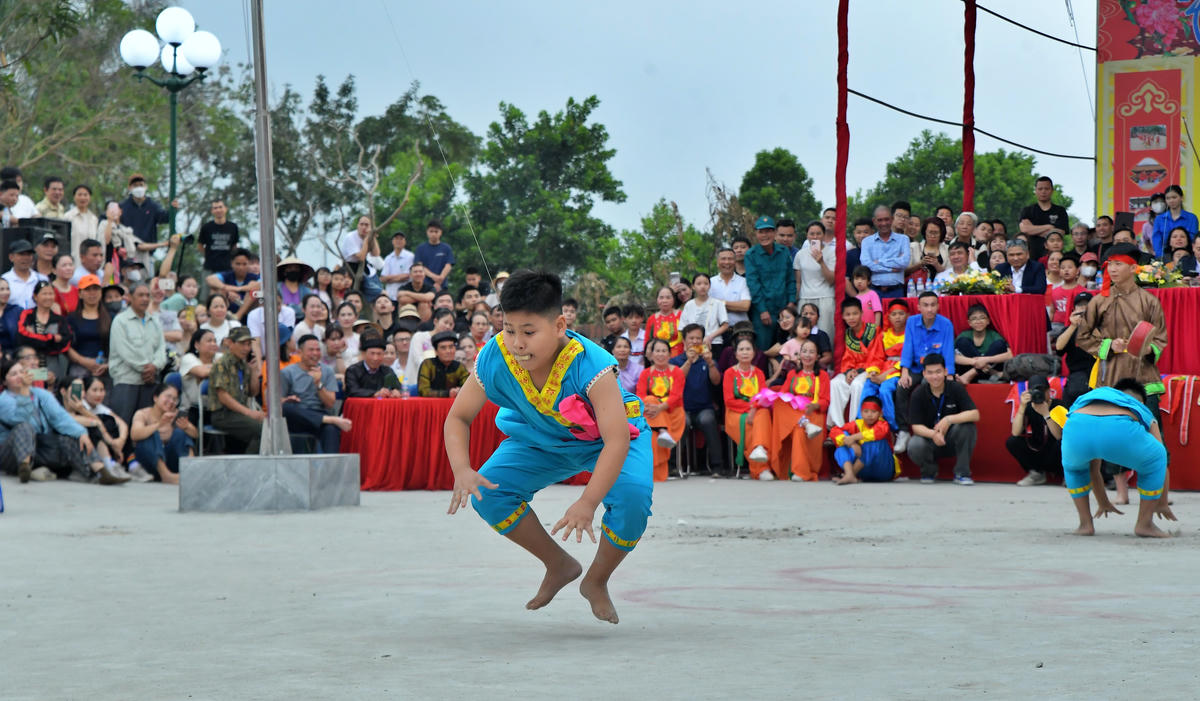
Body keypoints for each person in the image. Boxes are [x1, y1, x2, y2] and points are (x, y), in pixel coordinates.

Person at [444, 270, 653, 625]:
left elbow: (616, 440)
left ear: (558, 325)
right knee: (488, 492)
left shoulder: (593, 364)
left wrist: (588, 502)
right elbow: (458, 418)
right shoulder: (494, 356)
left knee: (633, 497)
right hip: (540, 439)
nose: (517, 343)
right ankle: (558, 564)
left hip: (608, 438)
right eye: (508, 329)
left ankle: (596, 580)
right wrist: (462, 469)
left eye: (528, 332)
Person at [1056, 379, 1174, 538]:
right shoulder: (1140, 406)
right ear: (1139, 399)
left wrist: (1103, 501)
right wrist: (1162, 503)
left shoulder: (1094, 395)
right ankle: (1144, 524)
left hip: (1076, 426)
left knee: (1075, 470)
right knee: (1157, 457)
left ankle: (1085, 524)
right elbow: (1161, 461)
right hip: (1119, 430)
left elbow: (1093, 469)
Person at [0, 358, 99, 483]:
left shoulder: (40, 394)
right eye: (14, 374)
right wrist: (24, 392)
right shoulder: (3, 400)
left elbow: (59, 417)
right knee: (24, 427)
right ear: (4, 381)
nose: (20, 376)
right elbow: (20, 419)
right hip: (12, 453)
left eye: (22, 372)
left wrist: (81, 433)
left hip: (41, 447)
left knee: (73, 436)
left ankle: (98, 471)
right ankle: (24, 468)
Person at [893, 292, 956, 453]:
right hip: (916, 368)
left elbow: (948, 351)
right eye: (925, 305)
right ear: (918, 307)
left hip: (935, 371)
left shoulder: (946, 324)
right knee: (901, 388)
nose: (929, 309)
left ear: (938, 306)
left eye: (933, 305)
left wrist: (949, 375)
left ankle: (929, 428)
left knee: (925, 386)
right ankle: (904, 430)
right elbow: (907, 347)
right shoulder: (912, 322)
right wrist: (904, 371)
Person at [905, 353, 980, 485]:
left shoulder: (955, 388)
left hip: (951, 439)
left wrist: (948, 419)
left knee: (968, 427)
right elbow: (916, 427)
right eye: (930, 372)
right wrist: (933, 434)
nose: (935, 377)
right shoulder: (918, 393)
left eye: (938, 372)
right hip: (930, 441)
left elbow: (975, 414)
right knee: (914, 444)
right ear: (924, 374)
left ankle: (962, 473)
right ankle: (929, 471)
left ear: (945, 371)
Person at [769, 337, 829, 482]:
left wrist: (815, 405)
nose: (807, 355)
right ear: (799, 355)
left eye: (811, 352)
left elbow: (825, 401)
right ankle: (800, 472)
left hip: (812, 413)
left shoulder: (822, 376)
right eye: (804, 351)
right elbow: (784, 395)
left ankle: (801, 472)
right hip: (795, 413)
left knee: (798, 429)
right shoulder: (792, 374)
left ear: (817, 356)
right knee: (779, 402)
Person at [281, 334, 353, 453]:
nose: (315, 353)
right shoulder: (287, 373)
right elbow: (277, 403)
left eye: (318, 350)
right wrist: (288, 399)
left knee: (331, 429)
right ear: (300, 352)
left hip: (319, 413)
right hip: (297, 416)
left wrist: (318, 384)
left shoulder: (327, 371)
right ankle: (329, 419)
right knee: (286, 408)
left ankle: (331, 469)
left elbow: (330, 404)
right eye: (311, 350)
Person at [670, 324, 724, 476]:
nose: (694, 341)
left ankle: (717, 467)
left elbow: (716, 381)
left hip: (704, 408)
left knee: (708, 420)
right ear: (684, 341)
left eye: (698, 338)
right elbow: (676, 380)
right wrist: (688, 361)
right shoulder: (675, 361)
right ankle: (674, 465)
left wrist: (710, 363)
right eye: (691, 338)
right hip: (682, 408)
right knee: (682, 422)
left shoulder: (708, 360)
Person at [207, 326, 263, 453]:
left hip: (238, 413)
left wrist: (254, 372)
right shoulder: (222, 364)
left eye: (249, 344)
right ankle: (249, 468)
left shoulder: (243, 365)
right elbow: (223, 396)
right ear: (230, 343)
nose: (246, 349)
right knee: (261, 430)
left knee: (270, 427)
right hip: (223, 414)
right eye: (242, 344)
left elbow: (253, 393)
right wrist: (249, 413)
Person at [828, 297, 882, 427]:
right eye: (848, 314)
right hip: (853, 369)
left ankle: (854, 423)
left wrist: (857, 372)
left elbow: (876, 356)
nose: (851, 317)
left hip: (869, 369)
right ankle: (837, 425)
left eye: (855, 313)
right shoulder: (846, 334)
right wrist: (849, 371)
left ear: (862, 313)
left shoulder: (873, 330)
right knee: (834, 383)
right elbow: (847, 358)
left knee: (857, 384)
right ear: (843, 317)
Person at [636, 338, 686, 481]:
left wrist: (659, 408)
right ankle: (662, 431)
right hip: (651, 414)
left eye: (664, 351)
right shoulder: (645, 373)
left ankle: (663, 430)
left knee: (653, 421)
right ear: (651, 355)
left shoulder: (677, 372)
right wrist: (652, 407)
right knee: (652, 434)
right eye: (657, 351)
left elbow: (676, 396)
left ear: (669, 354)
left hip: (672, 414)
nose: (660, 354)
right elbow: (640, 395)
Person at [128, 383, 196, 485]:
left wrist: (186, 427)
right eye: (168, 397)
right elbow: (134, 435)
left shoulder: (176, 414)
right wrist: (159, 424)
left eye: (175, 399)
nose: (171, 402)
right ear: (155, 398)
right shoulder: (143, 414)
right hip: (148, 461)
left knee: (180, 433)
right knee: (151, 433)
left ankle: (191, 470)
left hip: (170, 461)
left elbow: (195, 434)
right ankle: (166, 476)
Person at [744, 215, 796, 350]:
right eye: (761, 232)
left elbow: (790, 279)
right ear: (756, 233)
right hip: (763, 311)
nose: (764, 235)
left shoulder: (784, 251)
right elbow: (753, 284)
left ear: (774, 233)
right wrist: (762, 310)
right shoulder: (751, 254)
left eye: (768, 231)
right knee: (763, 349)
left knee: (787, 347)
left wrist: (791, 302)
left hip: (784, 308)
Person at [723, 336, 773, 472]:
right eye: (741, 349)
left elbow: (763, 397)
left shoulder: (759, 373)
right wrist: (750, 409)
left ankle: (760, 449)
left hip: (756, 410)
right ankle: (761, 468)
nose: (745, 352)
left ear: (754, 352)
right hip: (735, 412)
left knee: (763, 414)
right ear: (736, 354)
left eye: (748, 349)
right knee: (752, 423)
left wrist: (753, 409)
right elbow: (729, 400)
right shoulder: (729, 373)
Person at [859, 299, 908, 430]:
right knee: (868, 387)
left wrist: (884, 375)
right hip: (884, 367)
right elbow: (876, 355)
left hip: (899, 369)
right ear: (888, 316)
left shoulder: (910, 334)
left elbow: (908, 358)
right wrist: (874, 371)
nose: (897, 317)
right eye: (894, 314)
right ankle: (861, 422)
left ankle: (891, 426)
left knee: (885, 390)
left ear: (907, 315)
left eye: (901, 313)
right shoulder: (883, 335)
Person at [1008, 375, 1063, 487]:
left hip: (1056, 452)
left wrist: (1046, 414)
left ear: (1049, 391)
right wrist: (1022, 407)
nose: (1039, 394)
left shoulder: (1059, 405)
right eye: (1035, 391)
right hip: (1038, 448)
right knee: (1012, 441)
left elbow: (1059, 436)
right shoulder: (1029, 406)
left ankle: (1066, 475)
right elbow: (1015, 433)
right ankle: (1037, 474)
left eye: (1042, 390)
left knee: (1063, 443)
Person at [17, 280, 74, 382]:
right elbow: (22, 336)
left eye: (51, 293)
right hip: (29, 362)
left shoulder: (59, 319)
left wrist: (34, 336)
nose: (48, 297)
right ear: (35, 296)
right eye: (44, 293)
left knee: (52, 389)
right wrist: (51, 338)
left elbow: (66, 341)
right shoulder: (27, 315)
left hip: (53, 363)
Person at [831, 396, 895, 485]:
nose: (869, 415)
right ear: (861, 413)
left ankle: (849, 474)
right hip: (863, 471)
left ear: (880, 413)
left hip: (883, 469)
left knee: (874, 441)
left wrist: (853, 438)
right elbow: (834, 431)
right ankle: (849, 474)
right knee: (842, 439)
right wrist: (852, 444)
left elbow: (878, 433)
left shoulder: (883, 424)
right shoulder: (856, 424)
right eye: (866, 411)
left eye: (873, 411)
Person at [793, 220, 836, 336]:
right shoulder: (800, 255)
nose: (815, 237)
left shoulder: (832, 253)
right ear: (807, 235)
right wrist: (795, 300)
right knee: (803, 334)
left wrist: (821, 262)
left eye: (818, 233)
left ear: (824, 235)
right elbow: (798, 281)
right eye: (812, 234)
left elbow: (831, 280)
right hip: (805, 298)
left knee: (826, 333)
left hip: (825, 298)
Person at [860, 204, 911, 298]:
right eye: (880, 220)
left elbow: (904, 262)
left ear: (892, 219)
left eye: (886, 219)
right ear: (874, 221)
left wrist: (879, 262)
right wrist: (891, 268)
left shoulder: (903, 239)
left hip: (897, 290)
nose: (884, 223)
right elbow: (866, 265)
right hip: (874, 291)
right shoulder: (867, 242)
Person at [953, 304, 1012, 384]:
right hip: (977, 369)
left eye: (982, 318)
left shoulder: (994, 335)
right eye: (974, 319)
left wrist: (986, 360)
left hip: (986, 374)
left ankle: (970, 375)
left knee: (999, 345)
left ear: (988, 321)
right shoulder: (964, 335)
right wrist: (974, 362)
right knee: (963, 342)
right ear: (969, 322)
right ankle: (987, 372)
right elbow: (953, 357)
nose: (978, 321)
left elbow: (1010, 355)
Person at [1018, 175, 1069, 260]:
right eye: (1040, 189)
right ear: (1035, 191)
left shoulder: (1060, 211)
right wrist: (1049, 227)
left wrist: (1034, 230)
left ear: (1052, 191)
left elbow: (1060, 232)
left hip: (1054, 258)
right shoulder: (1027, 210)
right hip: (1032, 255)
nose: (1043, 192)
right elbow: (1025, 229)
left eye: (1046, 189)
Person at [678, 273, 729, 353]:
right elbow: (682, 328)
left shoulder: (717, 303)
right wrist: (686, 344)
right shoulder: (689, 305)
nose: (702, 286)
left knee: (711, 364)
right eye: (699, 284)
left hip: (713, 343)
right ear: (693, 287)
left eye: (706, 283)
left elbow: (725, 325)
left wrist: (710, 337)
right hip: (693, 345)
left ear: (709, 285)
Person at [204, 249, 260, 317]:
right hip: (229, 307)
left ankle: (237, 316)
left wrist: (237, 290)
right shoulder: (227, 275)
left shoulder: (255, 277)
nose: (241, 267)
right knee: (215, 289)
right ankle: (219, 316)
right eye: (238, 264)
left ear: (248, 263)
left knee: (254, 291)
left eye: (244, 264)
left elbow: (256, 286)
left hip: (249, 310)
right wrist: (227, 291)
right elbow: (209, 279)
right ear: (232, 263)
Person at [196, 199, 239, 283]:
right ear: (212, 211)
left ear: (225, 209)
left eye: (220, 207)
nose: (218, 210)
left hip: (227, 267)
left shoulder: (233, 227)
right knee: (206, 294)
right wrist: (209, 255)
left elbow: (234, 246)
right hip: (209, 267)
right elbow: (200, 246)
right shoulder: (206, 227)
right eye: (215, 208)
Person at [1150, 185, 1198, 258]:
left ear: (1181, 198)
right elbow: (1157, 241)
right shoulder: (1159, 219)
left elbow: (1193, 240)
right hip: (1165, 257)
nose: (1171, 201)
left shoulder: (1192, 218)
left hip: (1187, 256)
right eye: (1168, 198)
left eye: (1174, 197)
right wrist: (1161, 259)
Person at [709, 247, 751, 331]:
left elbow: (745, 306)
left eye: (730, 259)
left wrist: (718, 304)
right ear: (717, 262)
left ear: (735, 262)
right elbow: (707, 307)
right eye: (723, 259)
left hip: (740, 330)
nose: (727, 262)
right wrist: (735, 306)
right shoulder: (710, 282)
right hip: (715, 331)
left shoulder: (744, 282)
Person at [417, 331, 469, 398]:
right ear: (436, 351)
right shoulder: (428, 364)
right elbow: (423, 391)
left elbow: (468, 388)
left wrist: (460, 391)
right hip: (431, 405)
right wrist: (448, 393)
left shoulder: (459, 367)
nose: (448, 351)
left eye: (451, 347)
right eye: (443, 348)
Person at [3, 239, 47, 310]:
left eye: (29, 254)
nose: (25, 258)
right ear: (11, 257)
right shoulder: (4, 281)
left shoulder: (42, 279)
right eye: (21, 254)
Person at [413, 219, 454, 291]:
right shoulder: (420, 248)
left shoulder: (446, 248)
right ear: (427, 232)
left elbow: (449, 265)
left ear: (440, 232)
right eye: (431, 231)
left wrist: (440, 279)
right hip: (424, 286)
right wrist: (434, 277)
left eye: (436, 231)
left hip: (442, 286)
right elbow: (419, 266)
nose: (433, 234)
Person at [340, 215, 382, 282]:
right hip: (350, 266)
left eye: (366, 225)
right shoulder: (350, 237)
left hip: (363, 266)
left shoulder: (368, 235)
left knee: (376, 286)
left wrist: (373, 237)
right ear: (358, 225)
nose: (363, 227)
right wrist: (366, 239)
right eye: (361, 224)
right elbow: (361, 257)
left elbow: (376, 254)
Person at [906, 217, 949, 283]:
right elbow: (905, 271)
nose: (932, 236)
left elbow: (951, 274)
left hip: (941, 288)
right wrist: (921, 263)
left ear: (941, 233)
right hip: (917, 288)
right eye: (930, 232)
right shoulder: (913, 247)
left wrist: (937, 265)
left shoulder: (948, 249)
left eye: (936, 233)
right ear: (925, 232)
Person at [644, 287, 683, 357]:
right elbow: (647, 340)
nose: (664, 301)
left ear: (674, 299)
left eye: (668, 297)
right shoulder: (652, 319)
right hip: (659, 357)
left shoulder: (681, 315)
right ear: (657, 299)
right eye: (661, 298)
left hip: (679, 356)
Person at [65, 185, 99, 259]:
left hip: (91, 262)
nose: (82, 198)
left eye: (85, 195)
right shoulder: (68, 217)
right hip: (73, 260)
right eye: (79, 195)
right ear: (74, 197)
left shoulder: (94, 219)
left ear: (90, 198)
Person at [380, 231, 414, 300]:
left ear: (405, 242)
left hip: (405, 295)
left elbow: (407, 276)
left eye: (401, 239)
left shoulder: (410, 256)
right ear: (393, 241)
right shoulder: (388, 258)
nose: (398, 241)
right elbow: (382, 278)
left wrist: (389, 278)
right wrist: (399, 277)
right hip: (390, 295)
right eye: (396, 239)